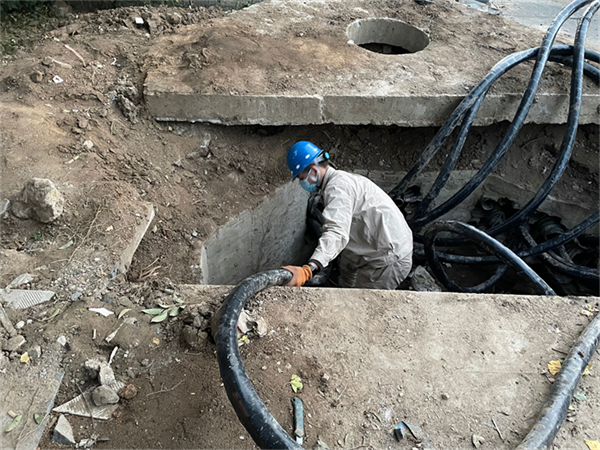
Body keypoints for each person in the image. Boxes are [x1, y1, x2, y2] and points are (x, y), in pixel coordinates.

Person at [282, 141, 413, 289]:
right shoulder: (341, 180)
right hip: (377, 247)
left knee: (361, 301)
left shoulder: (338, 188)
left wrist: (310, 269)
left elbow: (336, 232)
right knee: (346, 270)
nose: (303, 184)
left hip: (388, 261)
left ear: (313, 171)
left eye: (301, 178)